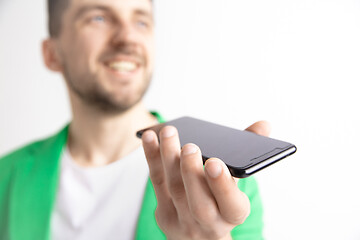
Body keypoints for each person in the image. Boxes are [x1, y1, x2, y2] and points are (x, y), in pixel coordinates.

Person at [0, 0, 271, 239]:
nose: (128, 37)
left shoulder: (222, 181)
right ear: (52, 54)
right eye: (99, 17)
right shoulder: (6, 176)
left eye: (141, 20)